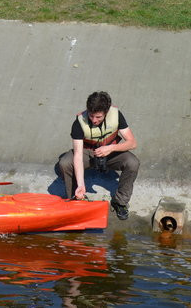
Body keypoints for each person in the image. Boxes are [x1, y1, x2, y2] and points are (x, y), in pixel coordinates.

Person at [57, 91, 139, 220]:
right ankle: (76, 198)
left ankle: (120, 202)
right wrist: (81, 184)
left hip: (110, 152)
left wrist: (111, 148)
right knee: (65, 163)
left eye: (98, 117)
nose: (94, 120)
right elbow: (78, 155)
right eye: (91, 116)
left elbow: (132, 143)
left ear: (106, 112)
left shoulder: (116, 115)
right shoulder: (79, 122)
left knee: (132, 163)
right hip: (88, 153)